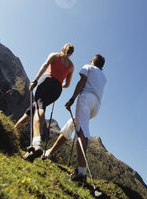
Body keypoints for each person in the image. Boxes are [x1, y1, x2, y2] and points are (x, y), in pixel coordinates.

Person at [43, 54, 106, 182]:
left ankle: (81, 173)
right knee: (71, 124)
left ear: (93, 60)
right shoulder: (103, 77)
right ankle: (49, 152)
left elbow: (81, 82)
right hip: (96, 106)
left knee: (82, 131)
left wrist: (72, 99)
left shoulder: (88, 67)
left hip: (86, 99)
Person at [15, 43, 74, 160]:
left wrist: (35, 80)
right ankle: (13, 132)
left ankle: (37, 141)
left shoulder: (55, 56)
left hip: (47, 81)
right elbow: (67, 85)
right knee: (31, 110)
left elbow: (44, 66)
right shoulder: (71, 66)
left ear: (62, 49)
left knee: (39, 107)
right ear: (71, 53)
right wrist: (58, 84)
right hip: (57, 89)